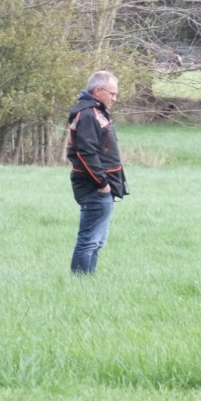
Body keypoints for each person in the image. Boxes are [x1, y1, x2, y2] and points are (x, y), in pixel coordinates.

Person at [66, 71, 129, 273]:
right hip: (94, 187)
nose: (114, 98)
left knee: (97, 241)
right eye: (112, 93)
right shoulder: (88, 115)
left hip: (102, 186)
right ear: (98, 90)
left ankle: (87, 284)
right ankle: (79, 284)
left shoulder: (96, 112)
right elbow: (86, 153)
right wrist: (103, 184)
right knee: (88, 241)